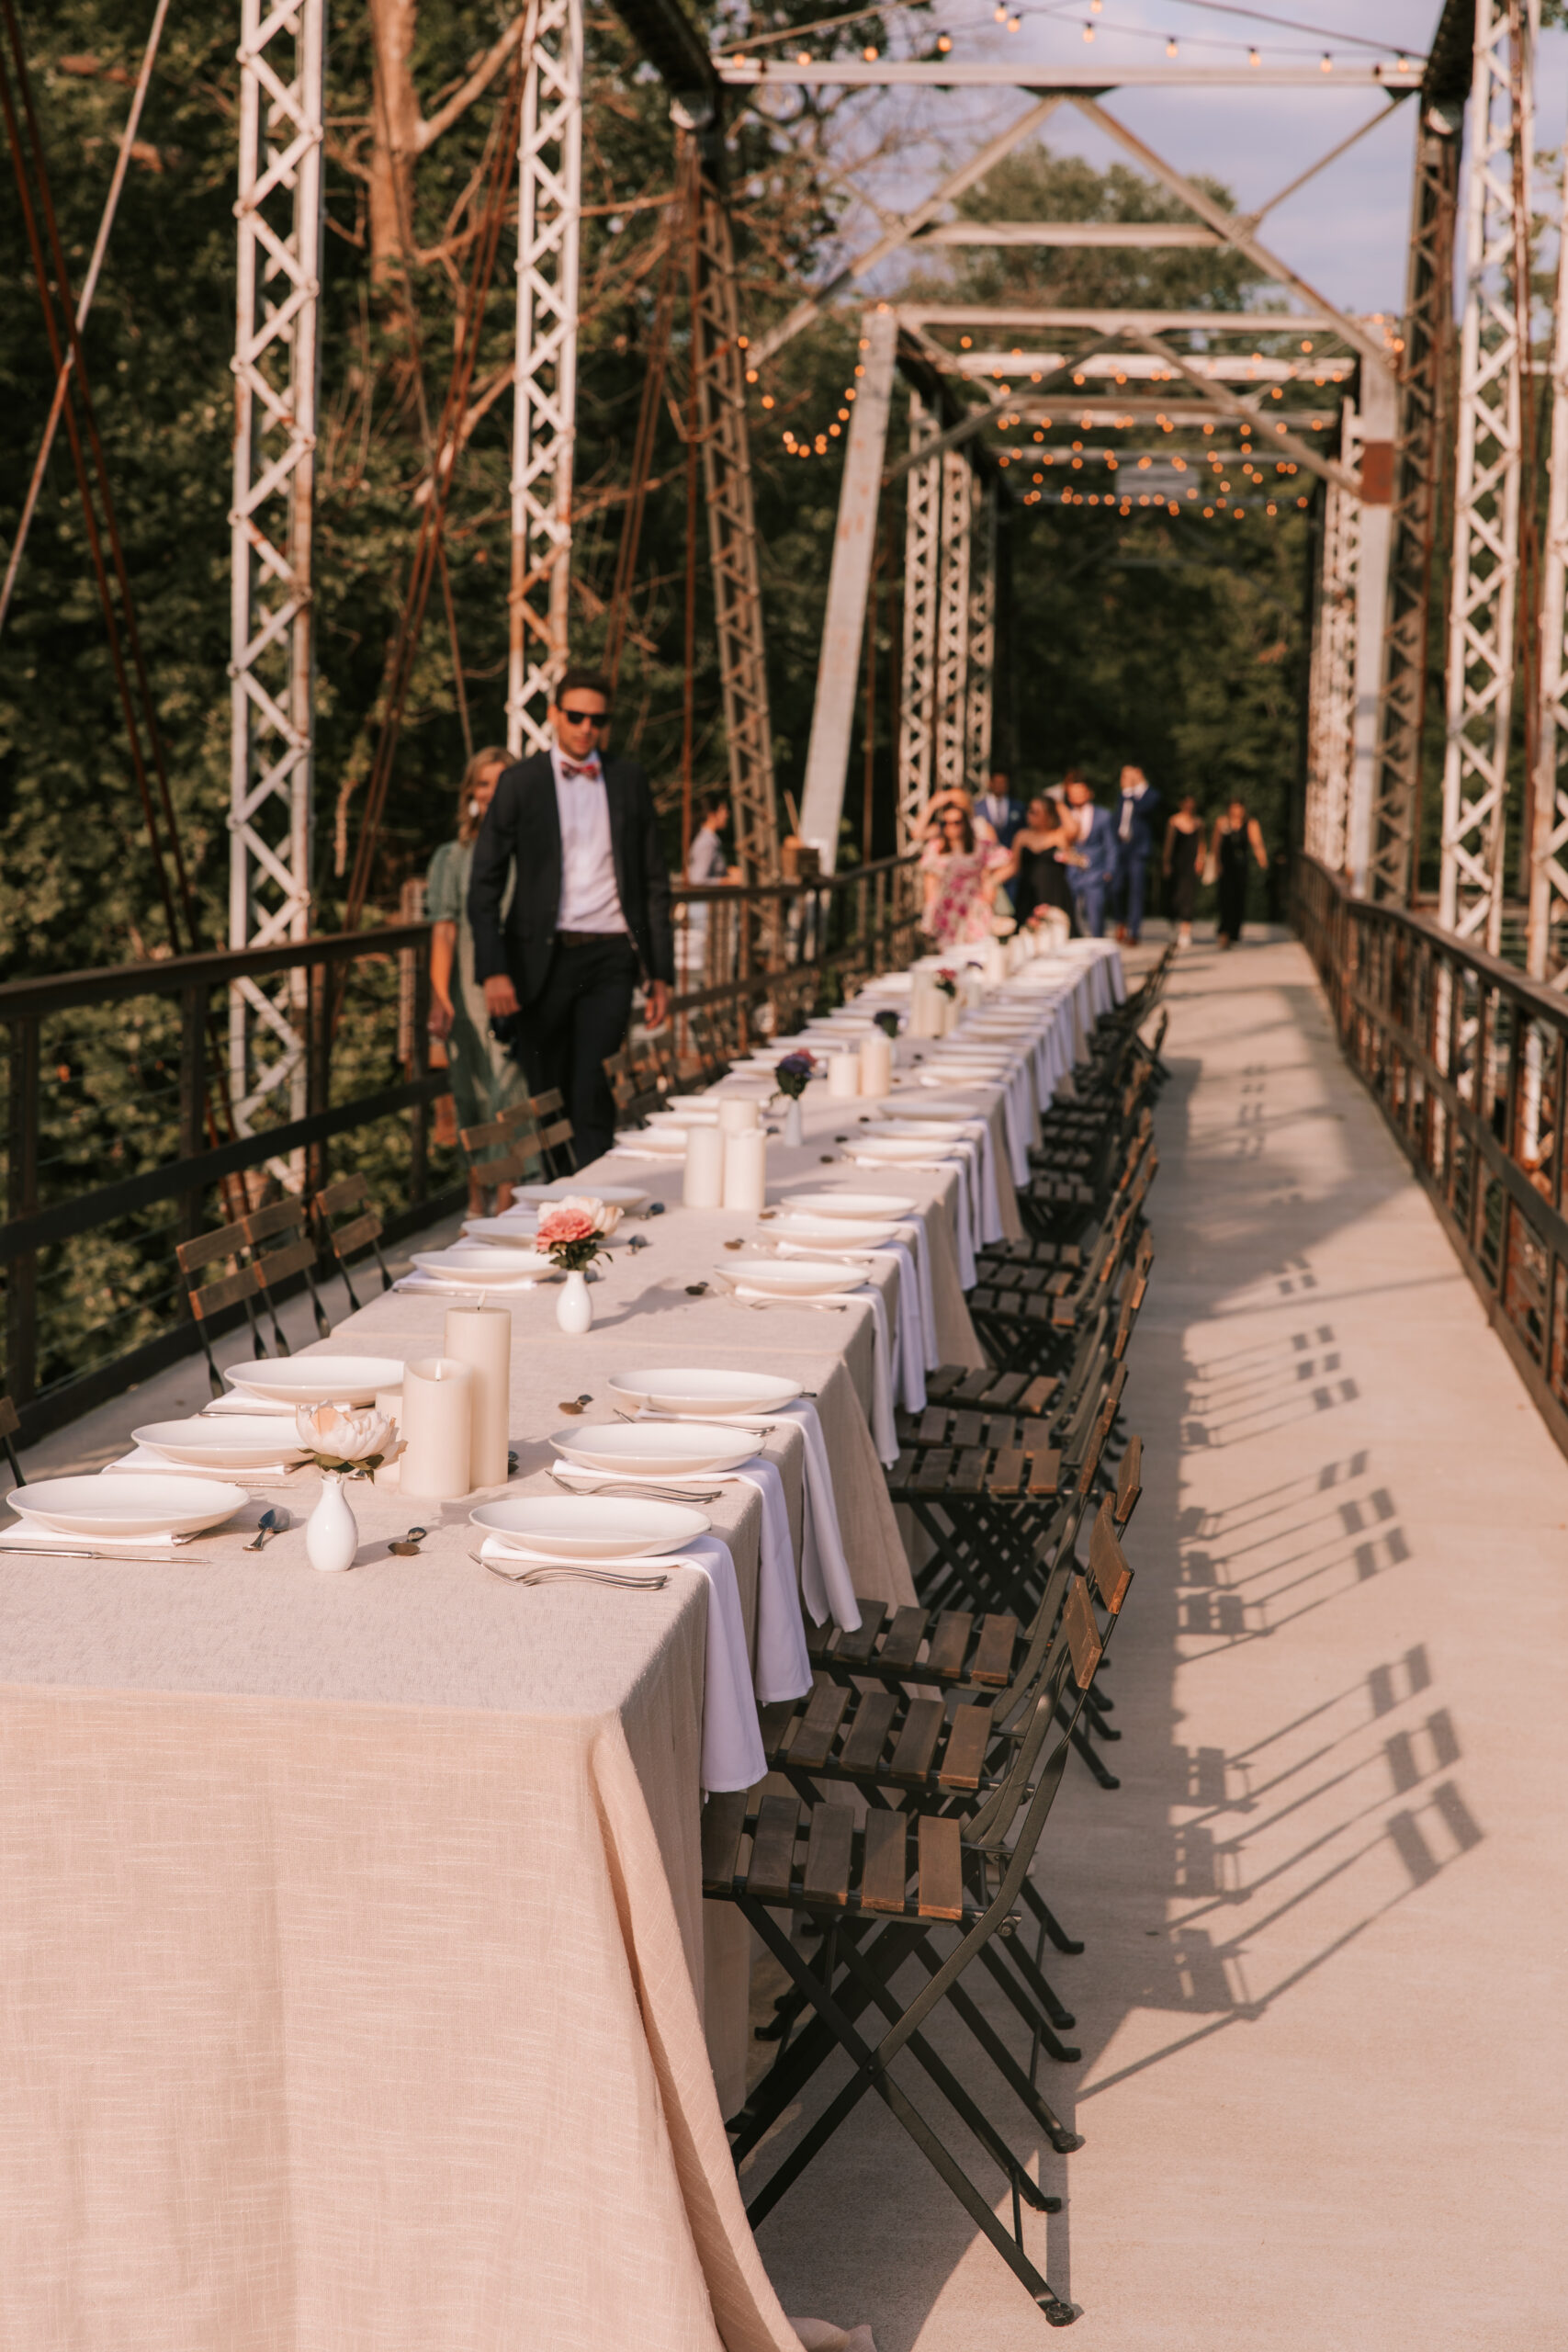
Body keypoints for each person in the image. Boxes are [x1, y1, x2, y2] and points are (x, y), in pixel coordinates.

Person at [468, 669, 673, 1168]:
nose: (586, 728)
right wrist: (493, 969)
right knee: (548, 1092)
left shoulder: (629, 780)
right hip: (541, 959)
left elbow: (653, 882)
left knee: (592, 1085)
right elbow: (484, 883)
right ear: (554, 715)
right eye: (576, 716)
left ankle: (595, 1202)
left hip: (610, 956)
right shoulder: (520, 784)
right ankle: (562, 1210)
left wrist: (660, 972)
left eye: (597, 720)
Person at [427, 745, 533, 1213]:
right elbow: (444, 931)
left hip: (517, 987)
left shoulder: (531, 852)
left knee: (512, 1093)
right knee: (471, 1094)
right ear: (471, 793)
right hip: (466, 991)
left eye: (503, 783)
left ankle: (506, 1203)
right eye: (484, 784)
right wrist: (438, 997)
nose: (493, 794)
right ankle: (476, 1200)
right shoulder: (453, 857)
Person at [919, 802, 1011, 948]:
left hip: (974, 904)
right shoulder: (935, 847)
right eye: (946, 823)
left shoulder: (979, 846)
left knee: (977, 949)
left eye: (956, 822)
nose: (951, 827)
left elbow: (1008, 861)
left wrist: (990, 881)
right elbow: (930, 882)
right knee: (949, 953)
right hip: (947, 906)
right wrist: (930, 912)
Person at [680, 794, 734, 989]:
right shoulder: (707, 842)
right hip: (705, 912)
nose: (727, 814)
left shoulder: (708, 840)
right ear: (712, 814)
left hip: (706, 912)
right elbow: (697, 879)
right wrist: (727, 881)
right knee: (709, 963)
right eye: (723, 810)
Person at [1009, 795, 1079, 931]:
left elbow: (1073, 829)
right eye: (1029, 810)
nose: (1029, 815)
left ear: (1048, 815)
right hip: (1028, 895)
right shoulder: (1022, 835)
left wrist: (1057, 803)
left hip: (1055, 894)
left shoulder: (1059, 835)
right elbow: (1013, 867)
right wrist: (991, 880)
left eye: (1035, 812)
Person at [1062, 774, 1118, 939]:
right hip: (1070, 872)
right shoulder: (1064, 816)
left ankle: (1097, 944)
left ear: (1089, 793)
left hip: (1095, 871)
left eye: (1081, 792)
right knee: (1069, 915)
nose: (1077, 796)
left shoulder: (1103, 816)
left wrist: (1110, 870)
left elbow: (1111, 845)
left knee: (1096, 914)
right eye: (1073, 793)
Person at [1210, 797, 1268, 948]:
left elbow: (1257, 843)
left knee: (1238, 898)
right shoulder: (1222, 823)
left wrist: (1262, 859)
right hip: (1225, 866)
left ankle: (1234, 931)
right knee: (1225, 898)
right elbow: (1216, 845)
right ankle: (1224, 932)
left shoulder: (1250, 823)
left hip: (1241, 866)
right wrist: (1216, 864)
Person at [1113, 764, 1160, 944]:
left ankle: (1134, 930)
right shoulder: (1122, 795)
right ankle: (1120, 922)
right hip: (1120, 847)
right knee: (1117, 887)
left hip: (1138, 849)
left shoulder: (1148, 795)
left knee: (1136, 890)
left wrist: (1135, 787)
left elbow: (1143, 809)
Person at [1162, 793, 1204, 948]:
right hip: (1176, 863)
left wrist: (1201, 859)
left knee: (1189, 895)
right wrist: (1166, 862)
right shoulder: (1173, 821)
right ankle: (1173, 925)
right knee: (1175, 895)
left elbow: (1201, 842)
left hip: (1190, 863)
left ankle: (1185, 931)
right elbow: (1169, 843)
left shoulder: (1198, 822)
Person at [975, 768, 1026, 851]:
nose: (999, 785)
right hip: (985, 853)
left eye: (1003, 782)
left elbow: (1022, 829)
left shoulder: (1018, 807)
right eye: (997, 782)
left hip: (1011, 852)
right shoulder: (978, 807)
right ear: (990, 783)